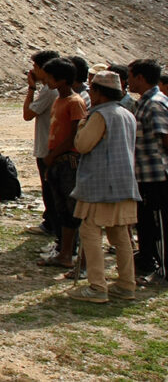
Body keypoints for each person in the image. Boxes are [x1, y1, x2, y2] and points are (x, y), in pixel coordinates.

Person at [65, 70, 141, 303]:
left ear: (99, 92)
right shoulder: (127, 114)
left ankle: (98, 287)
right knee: (120, 235)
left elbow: (83, 144)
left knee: (90, 232)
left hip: (101, 184)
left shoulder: (99, 116)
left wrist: (81, 127)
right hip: (123, 182)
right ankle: (127, 284)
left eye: (93, 89)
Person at [37, 57, 87, 270]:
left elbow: (74, 135)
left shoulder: (75, 102)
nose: (46, 80)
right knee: (62, 209)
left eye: (49, 76)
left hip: (68, 161)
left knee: (72, 209)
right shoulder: (59, 100)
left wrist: (53, 155)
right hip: (56, 160)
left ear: (61, 79)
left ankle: (72, 253)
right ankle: (64, 252)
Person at [129, 59, 168, 280]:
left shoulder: (154, 103)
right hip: (144, 173)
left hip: (156, 174)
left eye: (132, 76)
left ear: (141, 78)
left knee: (159, 223)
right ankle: (148, 260)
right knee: (146, 220)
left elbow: (165, 138)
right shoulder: (145, 101)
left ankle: (164, 268)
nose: (128, 81)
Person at [23, 49, 61, 237]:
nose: (33, 71)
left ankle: (51, 223)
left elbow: (28, 114)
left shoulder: (48, 91)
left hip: (47, 148)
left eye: (36, 67)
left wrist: (31, 88)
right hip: (48, 145)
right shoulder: (51, 90)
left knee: (50, 188)